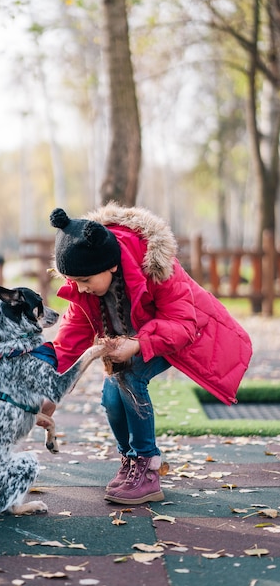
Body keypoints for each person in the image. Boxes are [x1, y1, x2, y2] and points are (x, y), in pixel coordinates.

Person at [45, 203, 252, 506]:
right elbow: (69, 342)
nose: (81, 289)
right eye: (74, 282)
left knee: (129, 377)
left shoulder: (156, 266)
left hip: (176, 335)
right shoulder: (84, 280)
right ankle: (130, 460)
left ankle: (147, 466)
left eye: (86, 282)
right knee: (111, 395)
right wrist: (50, 393)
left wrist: (139, 343)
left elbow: (183, 323)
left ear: (111, 266)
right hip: (138, 339)